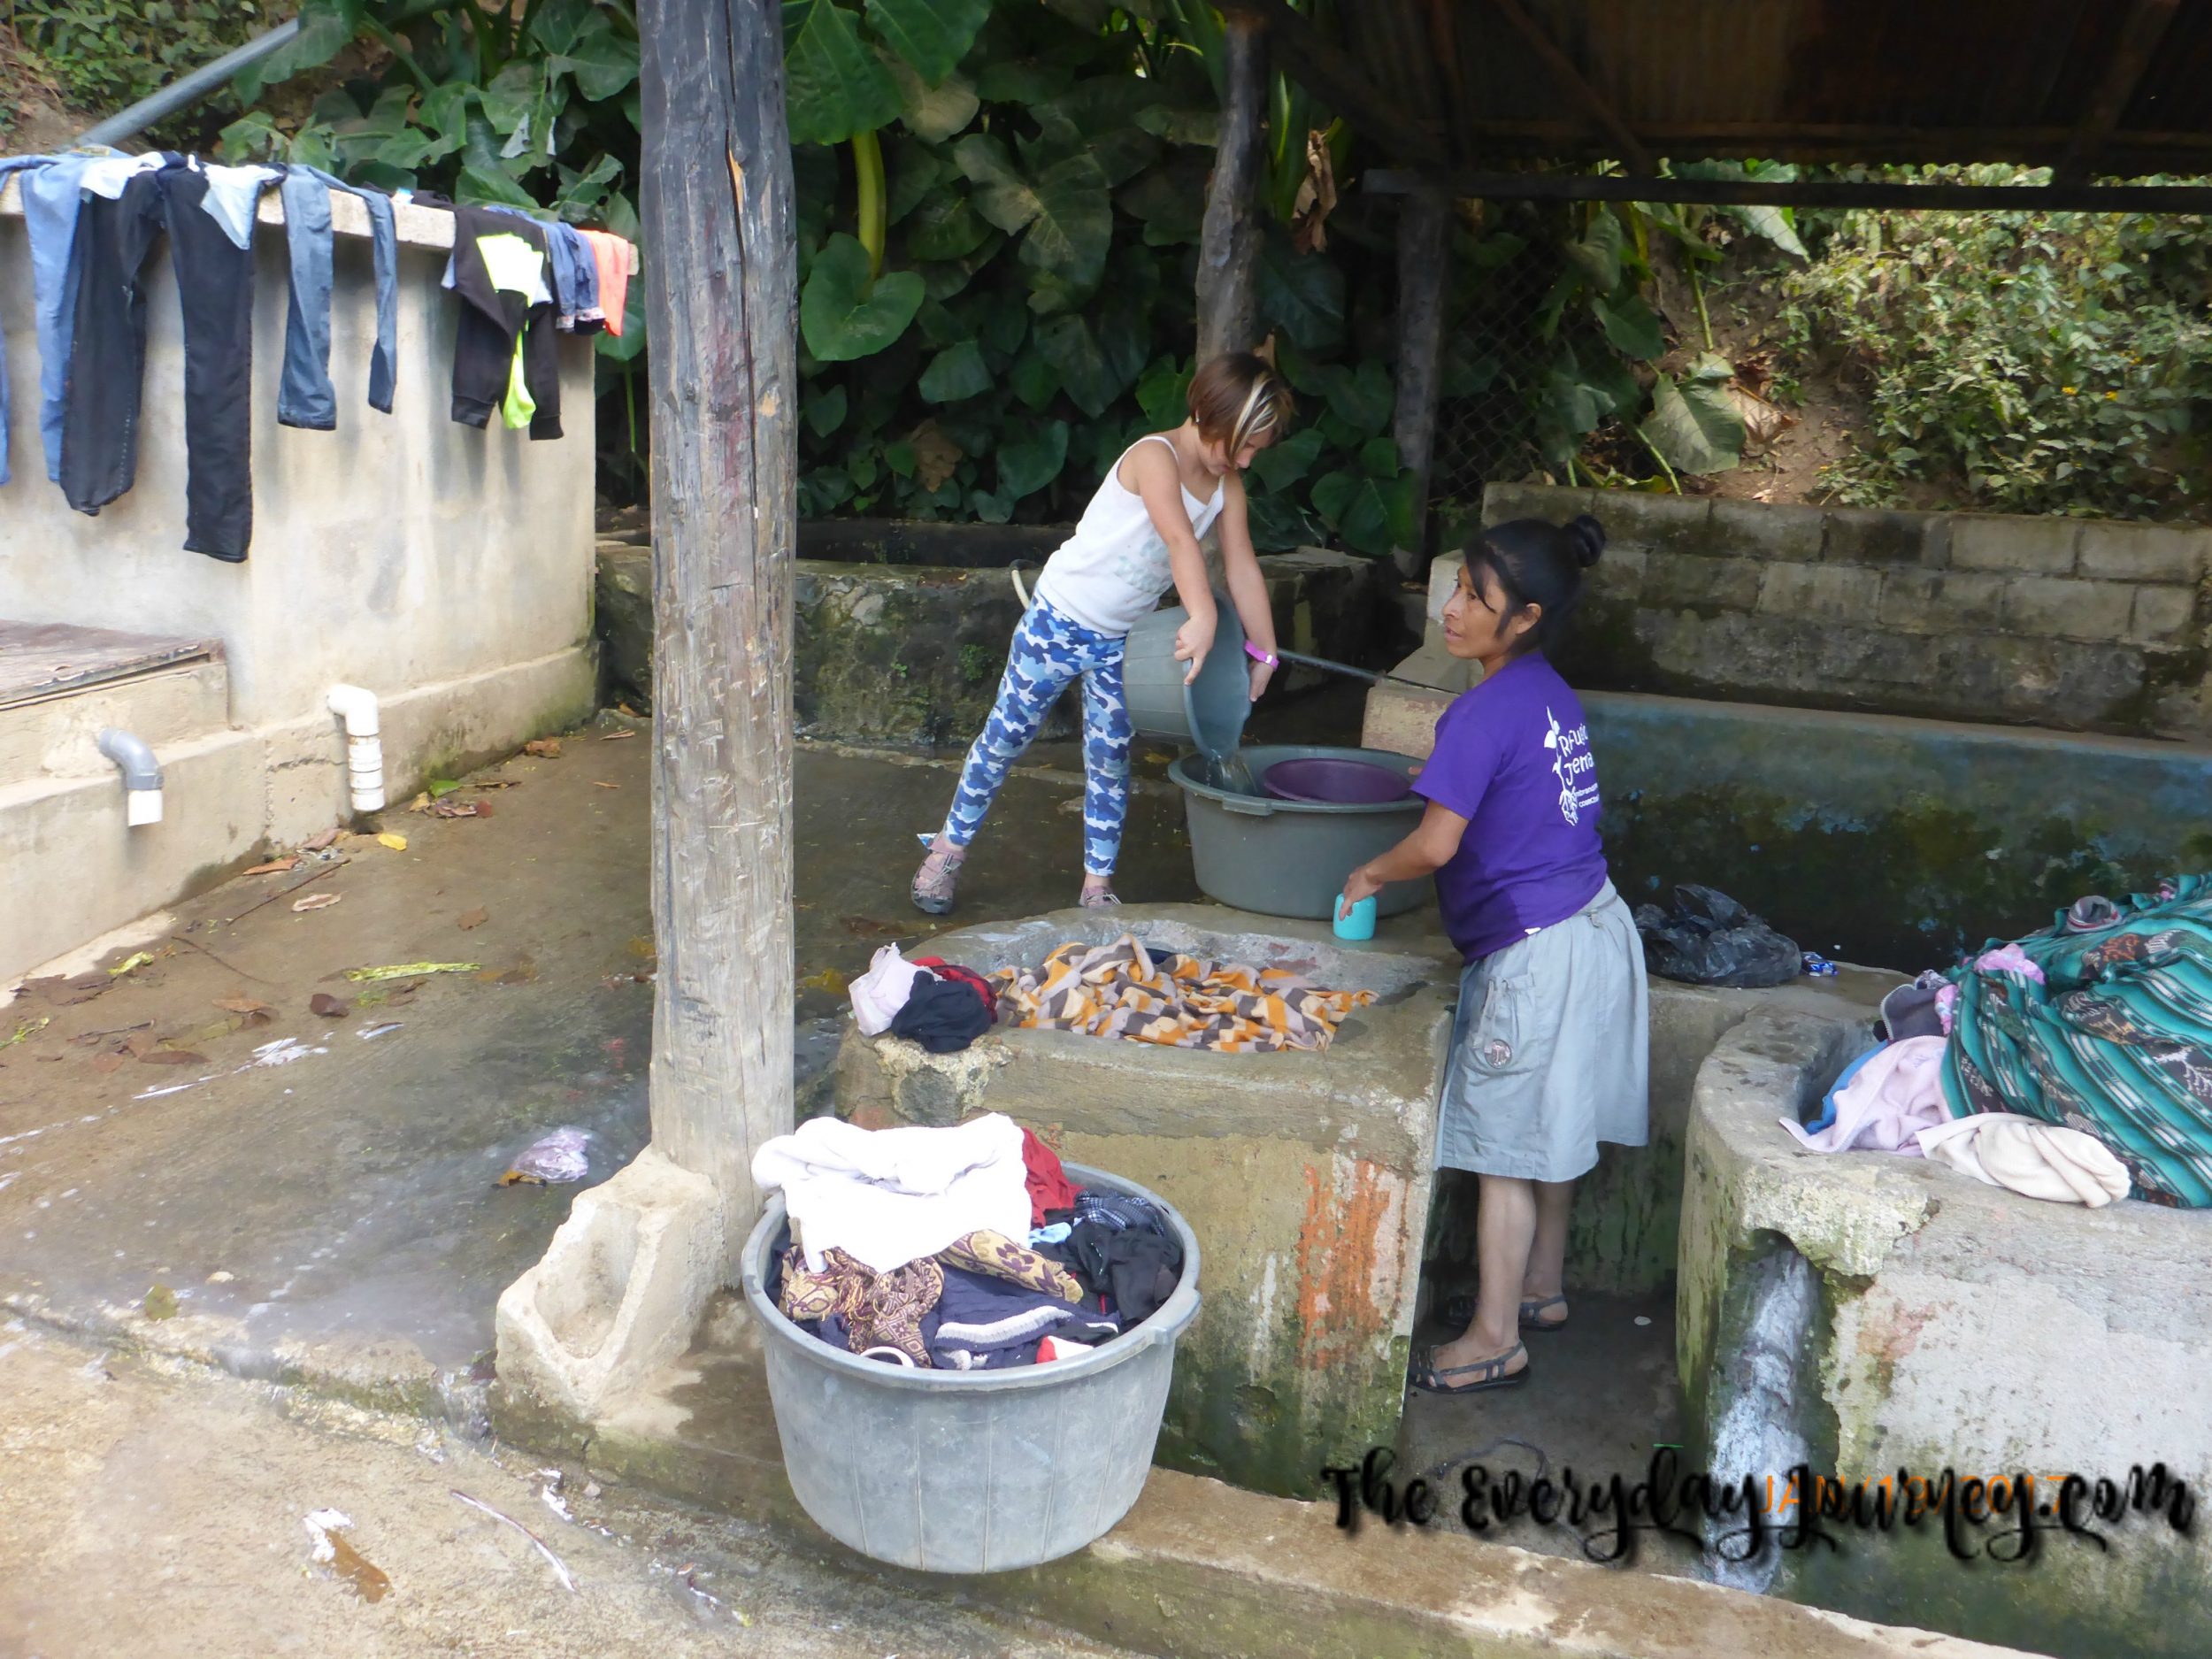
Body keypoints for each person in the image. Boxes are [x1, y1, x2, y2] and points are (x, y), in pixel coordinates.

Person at [1337, 513, 1648, 1394]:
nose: (1453, 606)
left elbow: (1434, 848)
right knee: (1551, 1131)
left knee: (1506, 1151)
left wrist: (1367, 872)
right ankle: (1541, 1289)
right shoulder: (1547, 691)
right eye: (1459, 586)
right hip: (1594, 929)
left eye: (1478, 597)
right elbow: (1514, 795)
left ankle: (1492, 1337)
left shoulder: (1477, 714)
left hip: (1535, 956)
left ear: (1525, 618)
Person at [911, 353, 1293, 915]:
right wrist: (1203, 617)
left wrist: (1264, 649)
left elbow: (1240, 565)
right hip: (1057, 620)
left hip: (1124, 641)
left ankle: (1097, 886)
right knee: (1004, 741)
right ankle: (946, 851)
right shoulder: (1153, 457)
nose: (1246, 460)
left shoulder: (1226, 486)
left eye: (1256, 448)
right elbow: (1179, 541)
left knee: (1110, 759)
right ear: (1205, 413)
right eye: (1242, 443)